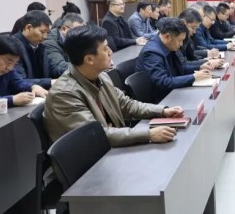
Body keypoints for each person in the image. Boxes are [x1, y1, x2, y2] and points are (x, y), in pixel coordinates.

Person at [44, 25, 183, 147]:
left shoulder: (101, 76)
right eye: (105, 49)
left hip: (109, 148)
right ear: (89, 59)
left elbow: (126, 105)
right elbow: (95, 135)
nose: (111, 52)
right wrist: (148, 134)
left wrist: (162, 111)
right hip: (88, 161)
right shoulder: (64, 94)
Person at [135, 18, 212, 102]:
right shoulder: (152, 53)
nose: (181, 44)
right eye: (180, 40)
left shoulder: (169, 45)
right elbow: (163, 82)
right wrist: (193, 77)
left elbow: (180, 67)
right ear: (167, 36)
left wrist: (199, 67)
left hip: (172, 92)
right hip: (161, 99)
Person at [12, 10, 55, 89]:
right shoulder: (12, 47)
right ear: (28, 28)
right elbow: (19, 81)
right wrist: (50, 82)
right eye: (42, 32)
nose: (45, 37)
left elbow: (51, 69)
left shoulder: (40, 46)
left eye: (47, 32)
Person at [44, 13, 85, 78]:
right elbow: (58, 66)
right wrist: (85, 67)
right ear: (64, 29)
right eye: (77, 31)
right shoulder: (49, 42)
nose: (80, 35)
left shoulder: (74, 39)